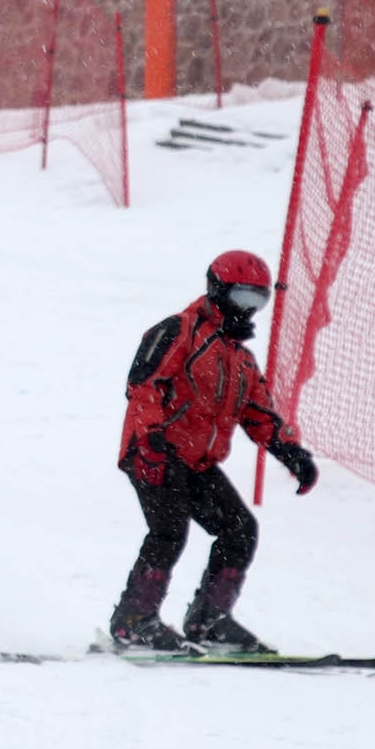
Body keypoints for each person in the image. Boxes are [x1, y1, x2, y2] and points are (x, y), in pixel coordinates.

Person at [109, 250, 319, 653]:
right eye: (242, 298)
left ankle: (210, 619)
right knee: (169, 530)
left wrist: (292, 454)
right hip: (154, 449)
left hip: (195, 460)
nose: (248, 310)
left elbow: (258, 414)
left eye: (257, 301)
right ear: (217, 290)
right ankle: (133, 621)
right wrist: (151, 441)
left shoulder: (240, 359)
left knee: (239, 530)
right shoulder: (179, 331)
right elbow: (143, 387)